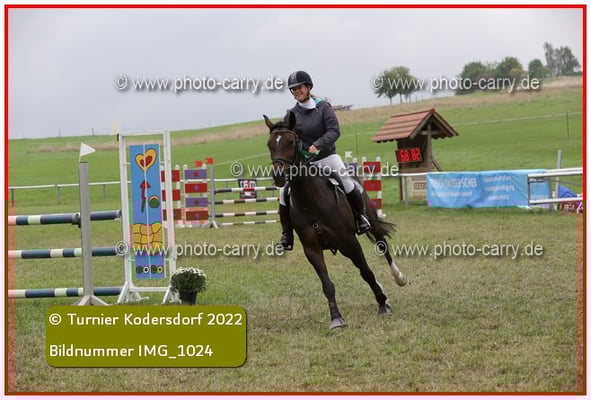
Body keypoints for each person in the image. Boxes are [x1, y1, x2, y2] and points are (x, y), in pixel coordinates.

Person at [277, 70, 371, 251]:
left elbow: (334, 130)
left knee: (346, 180)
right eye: (293, 89)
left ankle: (361, 217)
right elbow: (288, 137)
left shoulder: (323, 107)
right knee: (283, 192)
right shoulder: (291, 114)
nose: (297, 91)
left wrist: (318, 144)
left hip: (327, 157)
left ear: (308, 87)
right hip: (306, 163)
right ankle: (287, 235)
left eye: (300, 87)